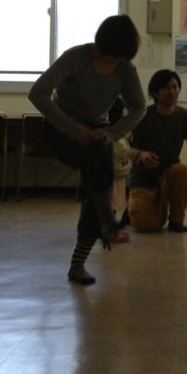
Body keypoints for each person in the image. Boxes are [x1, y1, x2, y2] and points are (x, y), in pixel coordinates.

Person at [29, 15, 146, 286]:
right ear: (99, 45)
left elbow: (139, 107)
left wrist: (111, 134)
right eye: (109, 57)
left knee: (96, 180)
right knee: (98, 165)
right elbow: (38, 92)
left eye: (118, 59)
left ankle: (78, 263)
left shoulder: (125, 68)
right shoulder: (76, 58)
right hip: (60, 131)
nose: (113, 63)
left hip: (97, 134)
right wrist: (74, 129)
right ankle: (107, 221)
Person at [127, 69, 187, 233]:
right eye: (167, 87)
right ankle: (138, 207)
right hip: (143, 178)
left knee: (181, 170)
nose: (172, 91)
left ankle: (176, 220)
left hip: (169, 174)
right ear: (155, 92)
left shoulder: (184, 115)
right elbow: (127, 146)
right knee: (146, 226)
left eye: (175, 87)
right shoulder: (143, 115)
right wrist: (141, 155)